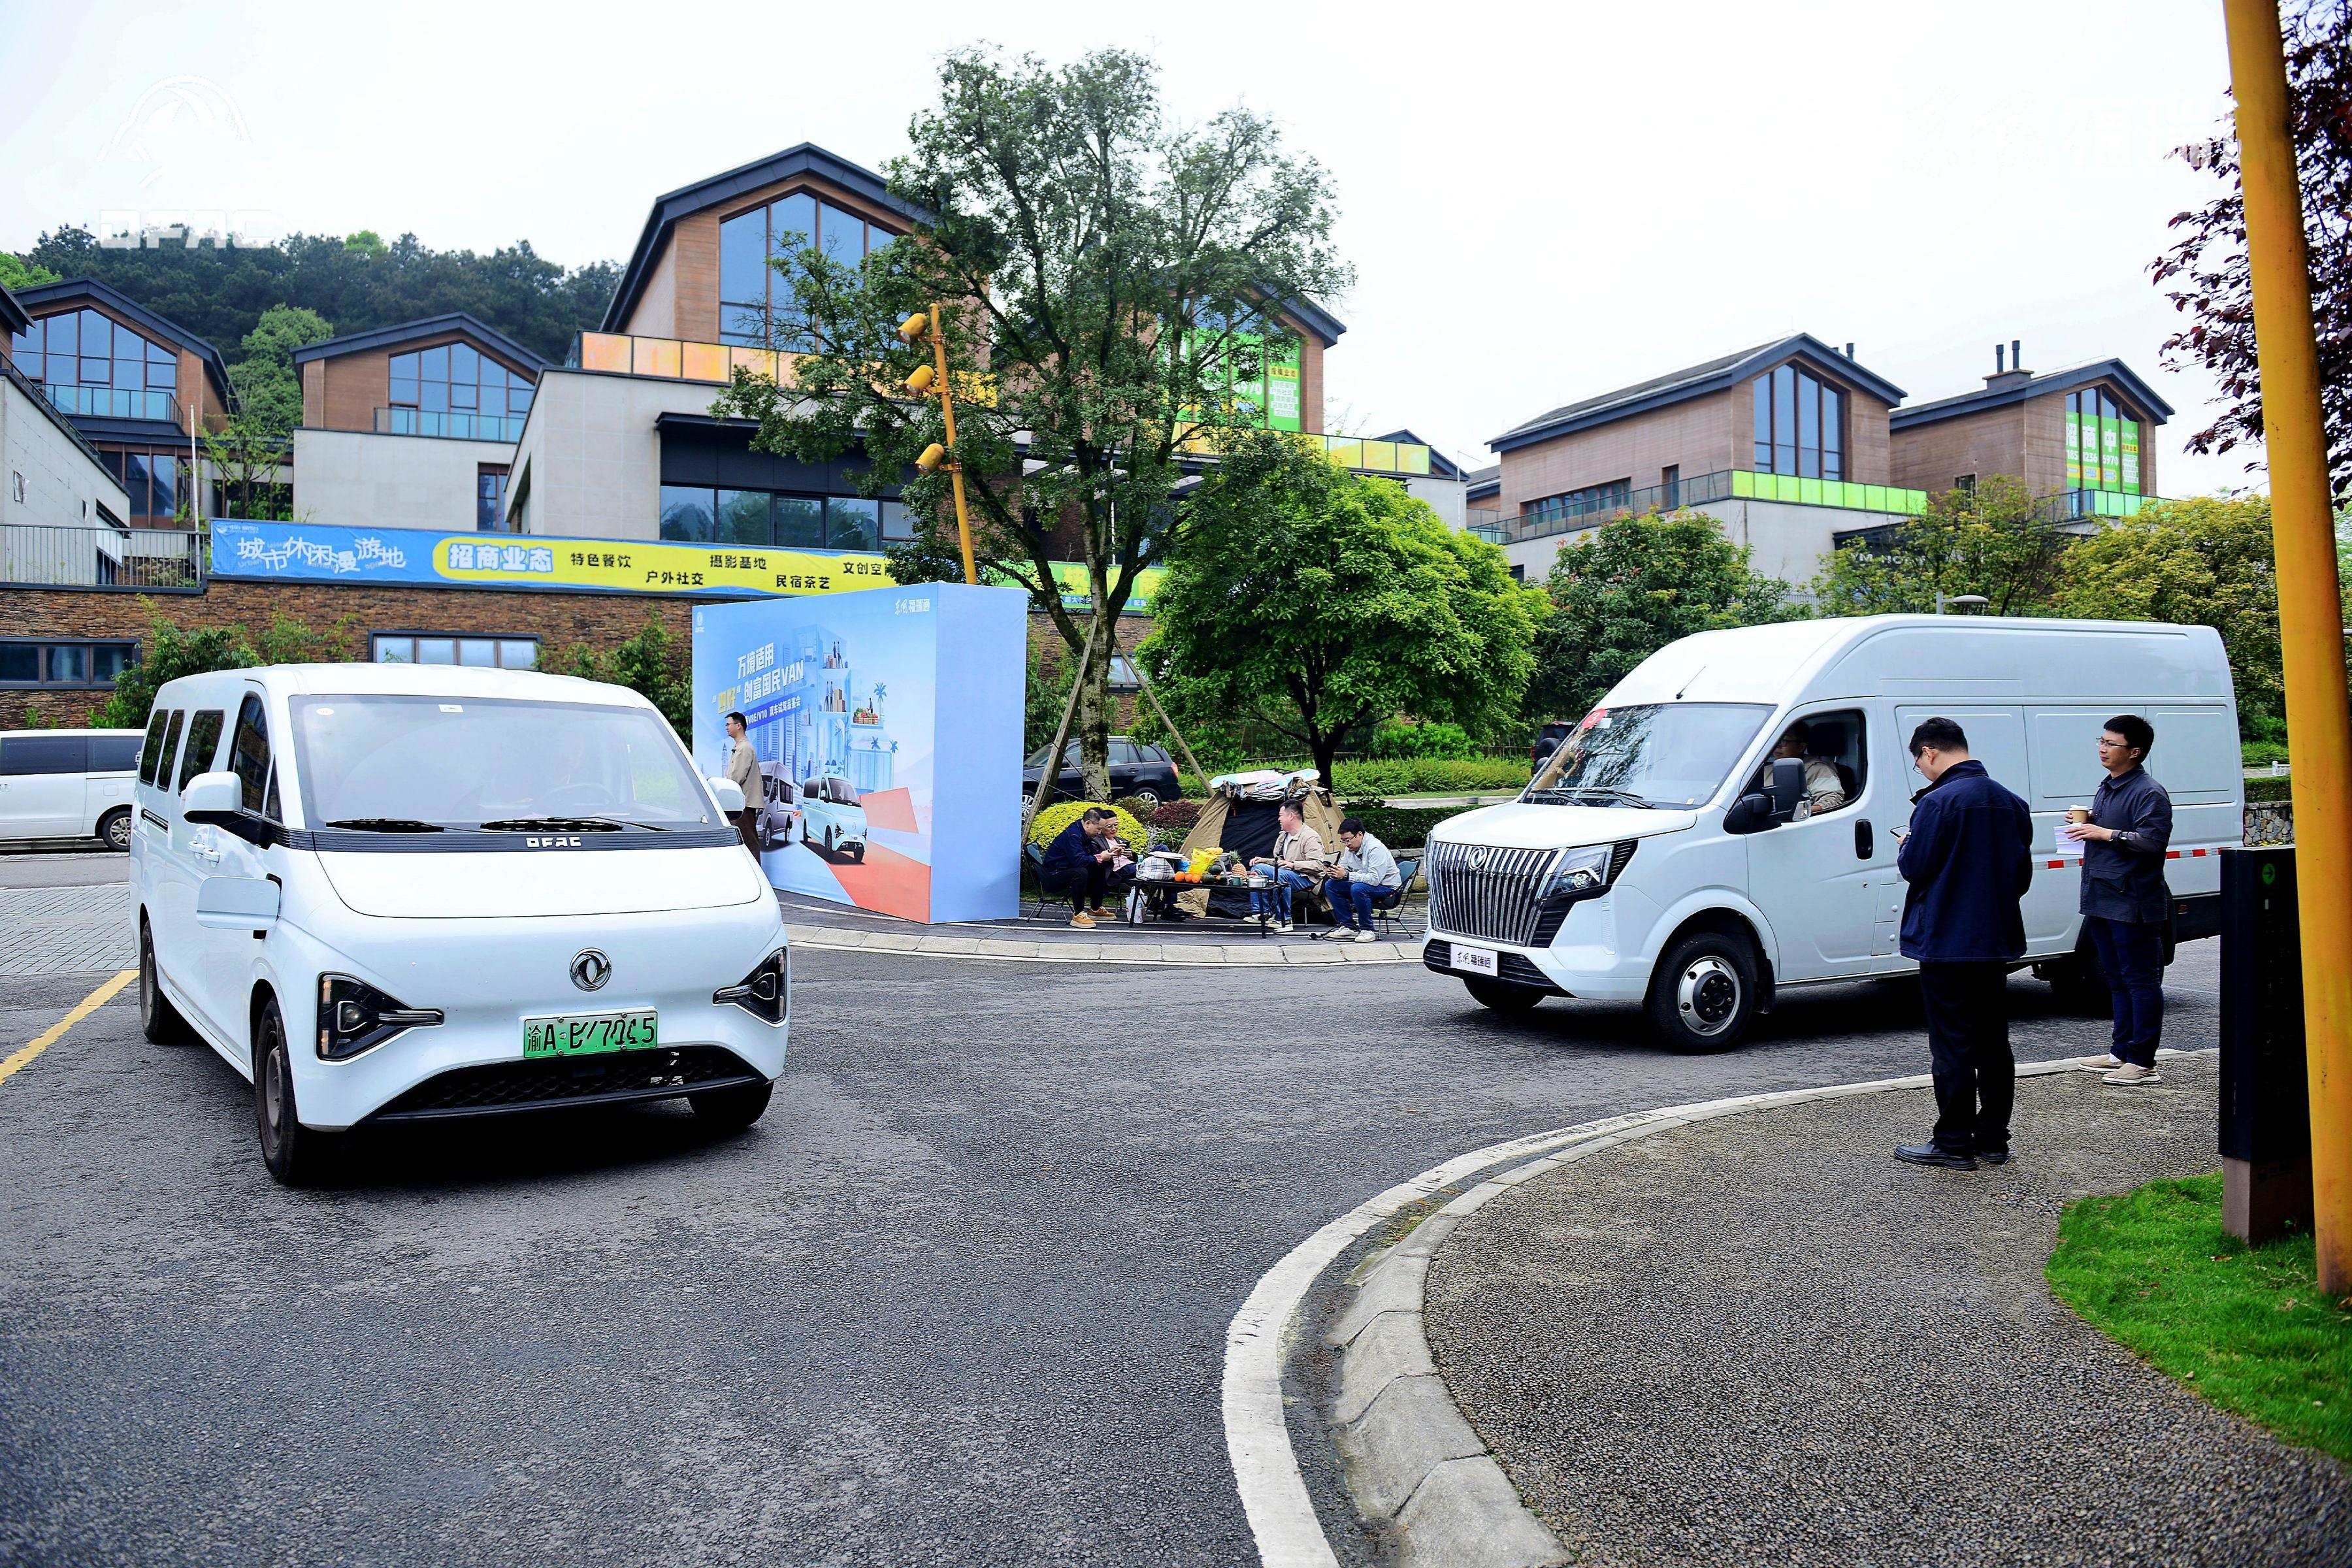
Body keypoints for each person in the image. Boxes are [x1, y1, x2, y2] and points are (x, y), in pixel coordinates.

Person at [1891, 716, 2034, 1171]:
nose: (1921, 769)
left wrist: (1906, 844)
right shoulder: (2012, 802)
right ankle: (1993, 1138)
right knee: (1993, 1041)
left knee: (1953, 1043)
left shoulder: (1937, 803)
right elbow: (2021, 877)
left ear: (1930, 751)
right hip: (1994, 938)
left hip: (1946, 939)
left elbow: (1915, 867)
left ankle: (1953, 1141)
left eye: (1919, 762)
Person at [2062, 714, 2174, 1086]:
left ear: (2135, 752)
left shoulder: (2149, 792)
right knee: (2116, 978)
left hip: (2133, 900)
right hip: (2101, 895)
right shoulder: (2109, 787)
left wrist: (2104, 832)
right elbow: (2117, 827)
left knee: (2141, 981)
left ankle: (2142, 1060)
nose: (2103, 748)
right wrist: (2090, 820)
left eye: (2112, 743)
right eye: (2102, 741)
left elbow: (2153, 842)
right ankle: (2120, 1052)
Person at [1041, 806, 1134, 928]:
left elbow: (1090, 855)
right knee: (1081, 873)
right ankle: (1078, 914)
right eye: (1099, 829)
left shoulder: (1082, 832)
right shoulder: (1073, 835)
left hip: (1066, 870)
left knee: (1099, 868)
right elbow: (1079, 861)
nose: (1100, 832)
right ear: (1088, 824)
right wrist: (1100, 857)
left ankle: (1095, 909)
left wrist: (1109, 852)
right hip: (1054, 876)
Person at [1247, 802, 1325, 933]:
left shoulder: (1310, 837)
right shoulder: (1284, 836)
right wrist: (1264, 860)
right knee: (1258, 868)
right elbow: (1281, 862)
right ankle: (1262, 913)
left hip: (1306, 878)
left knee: (1281, 875)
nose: (1279, 819)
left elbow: (1318, 865)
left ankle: (1284, 920)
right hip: (1287, 873)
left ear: (1291, 816)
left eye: (1281, 815)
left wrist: (1294, 865)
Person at [1320, 817, 1401, 942]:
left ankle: (1367, 930)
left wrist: (1346, 875)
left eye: (1348, 840)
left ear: (1359, 835)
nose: (1346, 844)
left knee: (1358, 888)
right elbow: (1345, 867)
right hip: (1364, 885)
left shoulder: (1376, 848)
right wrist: (1336, 872)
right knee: (1332, 884)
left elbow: (1374, 879)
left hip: (1388, 888)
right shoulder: (1350, 848)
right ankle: (1348, 926)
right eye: (1343, 841)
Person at [1770, 721, 1846, 813]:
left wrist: (1799, 813)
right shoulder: (1764, 768)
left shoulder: (1817, 769)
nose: (1778, 746)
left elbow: (1832, 800)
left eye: (1784, 741)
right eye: (1776, 741)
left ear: (1801, 747)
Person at [723, 711, 761, 857]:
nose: (726, 727)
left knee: (749, 843)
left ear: (739, 726)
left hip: (744, 804)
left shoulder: (744, 748)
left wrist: (724, 791)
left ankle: (755, 871)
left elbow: (737, 777)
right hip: (740, 803)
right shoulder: (740, 746)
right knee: (745, 842)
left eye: (729, 724)